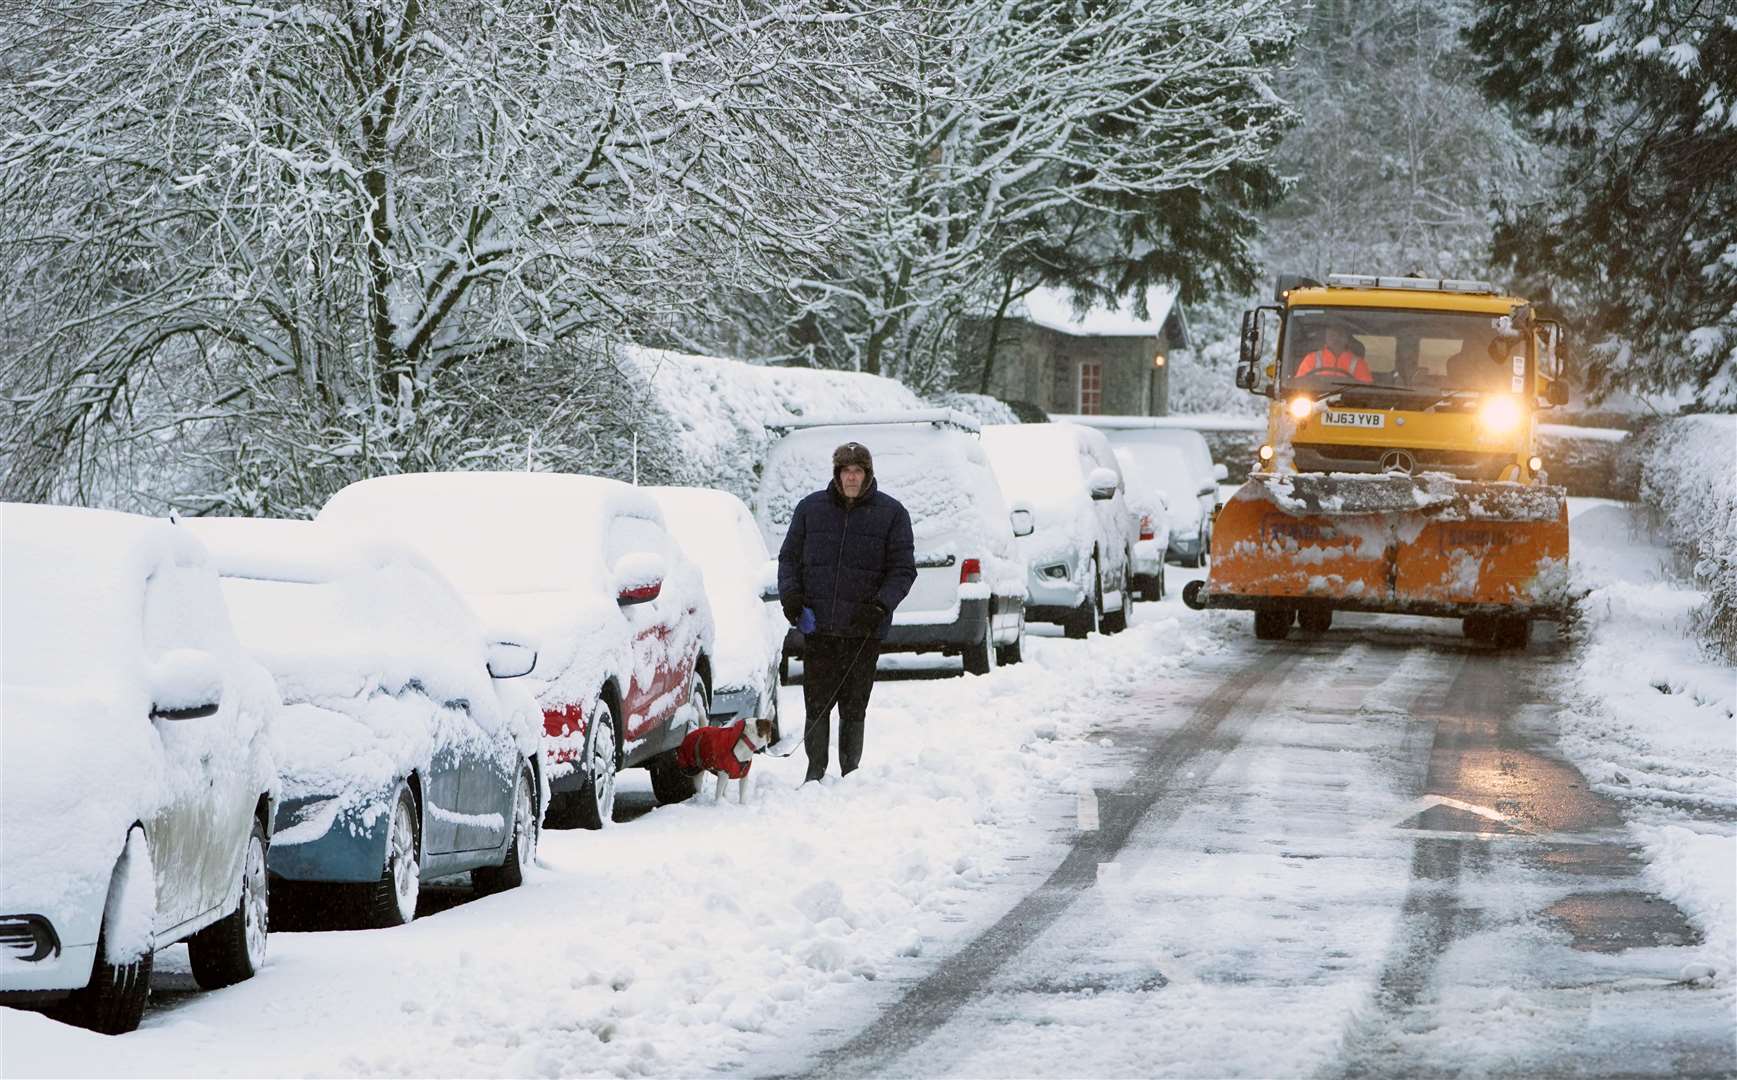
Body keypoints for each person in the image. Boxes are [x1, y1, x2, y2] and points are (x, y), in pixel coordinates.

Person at [777, 441, 916, 783]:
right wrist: (792, 598)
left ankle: (850, 772)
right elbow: (789, 559)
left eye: (858, 472)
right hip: (819, 628)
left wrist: (880, 605)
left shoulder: (892, 514)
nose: (852, 478)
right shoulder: (810, 510)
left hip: (862, 630)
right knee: (817, 702)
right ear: (837, 475)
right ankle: (815, 771)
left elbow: (903, 569)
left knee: (854, 705)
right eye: (846, 471)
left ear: (868, 474)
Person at [1294, 321, 1372, 383]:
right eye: (1332, 335)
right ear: (1326, 338)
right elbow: (1299, 384)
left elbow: (1365, 391)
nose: (1336, 339)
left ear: (1347, 338)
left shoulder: (1358, 363)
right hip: (1314, 401)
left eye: (1340, 335)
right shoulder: (1311, 359)